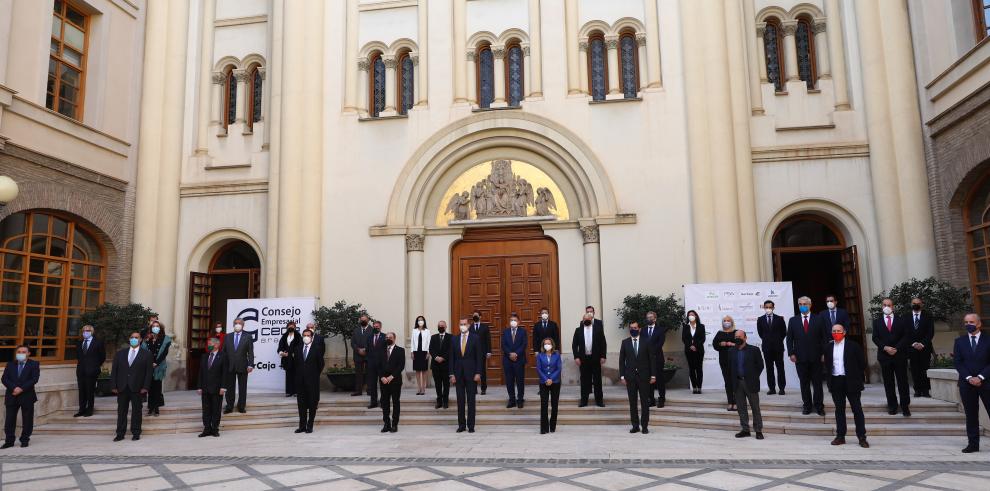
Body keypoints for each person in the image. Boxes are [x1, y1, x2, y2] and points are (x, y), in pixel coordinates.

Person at [824, 323, 868, 448]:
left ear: (844, 332)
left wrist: (857, 377)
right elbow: (827, 365)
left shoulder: (853, 346)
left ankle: (861, 437)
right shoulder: (828, 347)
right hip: (836, 381)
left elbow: (862, 364)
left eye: (838, 331)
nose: (836, 333)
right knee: (839, 410)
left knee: (857, 410)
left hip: (851, 381)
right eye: (834, 331)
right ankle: (840, 436)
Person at [953, 313, 990, 453]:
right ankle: (973, 444)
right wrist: (969, 378)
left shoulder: (988, 340)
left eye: (971, 322)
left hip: (986, 383)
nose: (968, 324)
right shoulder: (959, 341)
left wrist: (980, 377)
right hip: (966, 384)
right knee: (971, 414)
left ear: (979, 324)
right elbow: (958, 362)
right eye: (966, 322)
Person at [787, 296, 829, 416]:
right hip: (800, 358)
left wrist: (824, 353)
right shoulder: (793, 320)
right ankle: (807, 406)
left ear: (810, 305)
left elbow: (824, 338)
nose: (802, 306)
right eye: (800, 304)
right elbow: (789, 339)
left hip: (816, 357)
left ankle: (819, 406)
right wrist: (791, 353)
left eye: (805, 304)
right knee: (804, 383)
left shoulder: (819, 319)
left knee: (817, 383)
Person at [872, 297, 911, 417]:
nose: (887, 307)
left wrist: (896, 348)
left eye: (889, 305)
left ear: (893, 307)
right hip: (885, 356)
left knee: (902, 382)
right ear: (882, 307)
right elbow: (875, 338)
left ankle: (905, 407)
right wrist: (885, 348)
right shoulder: (877, 322)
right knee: (888, 383)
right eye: (884, 305)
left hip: (899, 355)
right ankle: (892, 406)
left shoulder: (901, 320)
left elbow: (906, 336)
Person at [110, 332, 153, 441]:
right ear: (129, 339)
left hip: (138, 387)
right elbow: (114, 370)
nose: (134, 339)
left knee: (137, 411)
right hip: (122, 387)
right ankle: (120, 433)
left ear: (140, 340)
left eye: (136, 337)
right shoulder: (120, 353)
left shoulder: (147, 354)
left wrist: (145, 387)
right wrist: (113, 385)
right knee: (121, 411)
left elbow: (148, 373)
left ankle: (136, 432)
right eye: (132, 337)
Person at [619, 321, 655, 434]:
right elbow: (621, 360)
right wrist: (622, 376)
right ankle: (635, 425)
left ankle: (644, 426)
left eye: (635, 328)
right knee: (632, 403)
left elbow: (652, 360)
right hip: (630, 378)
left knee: (644, 402)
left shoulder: (647, 341)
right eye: (631, 328)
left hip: (644, 377)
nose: (633, 329)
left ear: (639, 329)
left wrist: (653, 375)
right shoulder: (625, 342)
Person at [450, 318, 484, 433]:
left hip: (471, 374)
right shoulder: (454, 339)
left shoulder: (475, 338)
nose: (462, 326)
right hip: (458, 374)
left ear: (469, 325)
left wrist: (478, 372)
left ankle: (471, 425)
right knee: (460, 401)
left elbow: (479, 357)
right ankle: (461, 425)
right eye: (461, 324)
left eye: (464, 324)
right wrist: (451, 374)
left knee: (471, 400)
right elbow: (452, 358)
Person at [2, 346, 40, 448]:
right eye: (19, 352)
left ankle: (24, 439)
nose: (21, 353)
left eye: (23, 352)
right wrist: (14, 388)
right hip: (12, 395)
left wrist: (21, 389)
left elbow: (34, 379)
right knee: (9, 419)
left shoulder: (34, 364)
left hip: (27, 396)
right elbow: (4, 379)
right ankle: (9, 441)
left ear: (29, 353)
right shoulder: (10, 364)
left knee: (27, 419)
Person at [731, 330, 764, 440]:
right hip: (737, 383)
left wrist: (753, 377)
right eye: (736, 336)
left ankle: (758, 430)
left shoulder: (754, 350)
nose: (737, 338)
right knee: (741, 408)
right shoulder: (731, 351)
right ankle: (745, 430)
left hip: (751, 382)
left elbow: (760, 365)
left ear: (745, 338)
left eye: (739, 336)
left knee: (755, 407)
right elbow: (730, 368)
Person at [572, 310, 607, 407]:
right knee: (584, 380)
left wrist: (603, 356)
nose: (587, 320)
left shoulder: (598, 329)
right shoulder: (578, 330)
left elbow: (603, 343)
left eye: (588, 319)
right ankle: (584, 401)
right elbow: (574, 345)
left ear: (591, 319)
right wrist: (576, 357)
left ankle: (599, 400)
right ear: (582, 320)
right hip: (583, 359)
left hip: (595, 358)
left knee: (597, 380)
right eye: (585, 319)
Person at [294, 327, 324, 434]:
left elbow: (321, 364)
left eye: (308, 335)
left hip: (312, 381)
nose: (306, 337)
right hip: (300, 381)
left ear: (312, 337)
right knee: (301, 404)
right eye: (304, 335)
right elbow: (296, 364)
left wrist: (314, 375)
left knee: (312, 404)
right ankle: (302, 426)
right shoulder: (298, 348)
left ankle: (309, 425)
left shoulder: (317, 348)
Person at [197, 337, 229, 437]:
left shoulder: (223, 356)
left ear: (216, 345)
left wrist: (223, 387)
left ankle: (215, 429)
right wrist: (199, 387)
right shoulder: (204, 356)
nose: (208, 345)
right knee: (206, 410)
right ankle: (206, 429)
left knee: (216, 409)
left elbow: (225, 373)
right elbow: (201, 372)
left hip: (217, 388)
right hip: (205, 388)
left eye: (210, 343)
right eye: (208, 343)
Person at [222, 318, 255, 414]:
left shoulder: (248, 336)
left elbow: (251, 352)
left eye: (239, 323)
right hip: (229, 365)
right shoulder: (227, 336)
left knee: (242, 387)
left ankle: (241, 406)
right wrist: (223, 365)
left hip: (243, 365)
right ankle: (229, 406)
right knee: (230, 387)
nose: (237, 325)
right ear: (233, 325)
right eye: (235, 323)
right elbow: (224, 352)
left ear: (243, 325)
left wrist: (251, 365)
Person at [757, 300, 787, 396]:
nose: (768, 309)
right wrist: (768, 340)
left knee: (780, 368)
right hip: (767, 348)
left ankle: (782, 388)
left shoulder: (779, 319)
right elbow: (760, 333)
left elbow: (783, 333)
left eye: (770, 307)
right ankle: (772, 388)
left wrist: (776, 340)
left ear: (773, 308)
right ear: (764, 308)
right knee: (769, 369)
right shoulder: (760, 319)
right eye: (766, 307)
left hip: (778, 348)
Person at [74, 324, 105, 417]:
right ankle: (81, 410)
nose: (85, 332)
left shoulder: (98, 342)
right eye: (84, 331)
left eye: (87, 331)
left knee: (90, 391)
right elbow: (79, 357)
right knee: (81, 391)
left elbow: (102, 357)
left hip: (92, 371)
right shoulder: (79, 343)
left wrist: (95, 366)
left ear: (91, 332)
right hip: (81, 371)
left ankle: (89, 410)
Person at [907, 297, 935, 398]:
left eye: (918, 303)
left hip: (925, 348)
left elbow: (930, 332)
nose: (916, 305)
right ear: (911, 304)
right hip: (911, 348)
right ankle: (917, 390)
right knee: (914, 370)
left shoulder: (928, 316)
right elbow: (905, 333)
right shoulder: (906, 317)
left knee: (925, 369)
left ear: (922, 304)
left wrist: (922, 344)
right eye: (914, 303)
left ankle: (926, 390)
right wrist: (914, 344)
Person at [143, 320, 171, 417]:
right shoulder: (148, 339)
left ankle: (156, 408)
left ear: (160, 328)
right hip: (149, 366)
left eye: (157, 326)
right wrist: (150, 363)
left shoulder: (165, 339)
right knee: (149, 388)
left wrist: (156, 363)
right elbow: (144, 351)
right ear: (151, 328)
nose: (155, 327)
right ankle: (150, 408)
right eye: (154, 326)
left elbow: (164, 353)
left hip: (159, 366)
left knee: (157, 388)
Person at [379, 332, 405, 433]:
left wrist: (391, 376)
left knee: (395, 402)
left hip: (395, 381)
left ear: (394, 338)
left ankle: (394, 424)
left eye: (390, 337)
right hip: (383, 381)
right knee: (384, 403)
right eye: (386, 337)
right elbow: (378, 365)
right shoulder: (381, 350)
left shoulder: (400, 350)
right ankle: (386, 423)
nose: (388, 339)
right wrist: (382, 377)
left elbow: (401, 366)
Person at [537, 337, 562, 434]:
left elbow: (559, 368)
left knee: (554, 404)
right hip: (544, 382)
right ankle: (544, 428)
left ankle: (552, 426)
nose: (547, 345)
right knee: (544, 404)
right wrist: (546, 379)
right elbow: (539, 369)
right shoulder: (540, 355)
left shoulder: (557, 355)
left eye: (549, 343)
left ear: (552, 345)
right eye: (545, 344)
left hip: (555, 382)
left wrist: (551, 378)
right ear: (543, 345)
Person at [501, 313, 527, 408]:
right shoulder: (506, 331)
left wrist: (516, 354)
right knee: (509, 381)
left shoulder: (522, 331)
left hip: (519, 360)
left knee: (520, 381)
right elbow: (503, 345)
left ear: (518, 322)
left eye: (515, 320)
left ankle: (520, 400)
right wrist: (510, 354)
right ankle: (511, 400)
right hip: (507, 360)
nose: (513, 322)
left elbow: (524, 344)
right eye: (511, 320)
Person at [712, 315, 738, 411]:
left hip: (735, 360)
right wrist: (720, 344)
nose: (726, 322)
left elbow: (741, 343)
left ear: (732, 322)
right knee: (727, 382)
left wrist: (732, 344)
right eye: (724, 320)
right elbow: (715, 344)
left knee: (735, 381)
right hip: (724, 360)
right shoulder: (719, 333)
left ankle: (736, 402)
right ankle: (730, 402)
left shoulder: (736, 332)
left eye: (728, 320)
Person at [644, 311, 667, 408]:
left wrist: (650, 351)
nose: (649, 319)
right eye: (647, 317)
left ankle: (661, 399)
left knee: (660, 380)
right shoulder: (643, 330)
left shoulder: (661, 330)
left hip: (657, 358)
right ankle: (651, 400)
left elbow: (660, 343)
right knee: (649, 380)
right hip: (646, 359)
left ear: (655, 319)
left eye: (651, 317)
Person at [429, 321, 452, 409]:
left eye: (442, 326)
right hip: (435, 365)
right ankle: (439, 401)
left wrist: (443, 358)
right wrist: (435, 357)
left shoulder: (450, 337)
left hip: (446, 365)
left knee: (446, 384)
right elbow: (431, 349)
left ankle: (445, 401)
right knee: (438, 384)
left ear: (446, 327)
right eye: (439, 326)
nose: (441, 327)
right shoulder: (433, 337)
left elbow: (450, 349)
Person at [365, 321, 387, 409]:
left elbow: (386, 351)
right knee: (372, 384)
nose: (375, 328)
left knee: (383, 384)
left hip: (381, 365)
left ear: (380, 327)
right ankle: (373, 402)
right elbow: (367, 350)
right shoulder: (369, 337)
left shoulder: (385, 337)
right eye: (374, 327)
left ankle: (383, 402)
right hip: (371, 365)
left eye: (377, 327)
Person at [682, 311, 705, 394]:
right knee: (691, 369)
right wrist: (690, 346)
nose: (690, 316)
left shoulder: (701, 326)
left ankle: (699, 387)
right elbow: (684, 338)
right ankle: (694, 387)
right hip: (689, 350)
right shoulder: (685, 326)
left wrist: (695, 345)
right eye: (689, 315)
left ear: (696, 316)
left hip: (699, 350)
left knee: (699, 369)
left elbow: (702, 338)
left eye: (692, 314)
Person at [469, 310, 492, 395]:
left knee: (482, 371)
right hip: (472, 353)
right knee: (473, 371)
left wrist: (489, 351)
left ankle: (483, 388)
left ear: (480, 316)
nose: (474, 317)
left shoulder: (485, 327)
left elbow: (488, 340)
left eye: (476, 315)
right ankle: (474, 388)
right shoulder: (470, 327)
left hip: (482, 352)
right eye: (473, 315)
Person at [277, 321, 301, 398]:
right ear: (287, 327)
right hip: (287, 359)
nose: (291, 327)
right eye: (289, 326)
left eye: (292, 326)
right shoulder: (284, 336)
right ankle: (288, 391)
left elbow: (300, 346)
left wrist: (296, 353)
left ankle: (296, 391)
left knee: (296, 375)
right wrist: (282, 353)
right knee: (288, 375)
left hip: (295, 359)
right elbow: (280, 347)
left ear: (295, 327)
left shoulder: (298, 336)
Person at [410, 315, 431, 396]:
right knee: (418, 370)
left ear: (424, 321)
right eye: (419, 320)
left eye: (421, 320)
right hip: (416, 351)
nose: (420, 321)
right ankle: (419, 388)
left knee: (424, 371)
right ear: (417, 322)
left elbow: (429, 342)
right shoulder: (414, 330)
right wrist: (412, 352)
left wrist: (428, 352)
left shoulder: (427, 331)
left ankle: (423, 388)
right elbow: (412, 341)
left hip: (424, 352)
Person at [351, 315, 371, 397]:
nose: (363, 321)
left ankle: (369, 390)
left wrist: (366, 350)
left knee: (369, 373)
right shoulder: (356, 330)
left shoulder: (372, 330)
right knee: (358, 374)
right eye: (361, 320)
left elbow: (373, 342)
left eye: (364, 320)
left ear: (368, 320)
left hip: (369, 355)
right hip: (357, 355)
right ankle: (358, 391)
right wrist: (358, 350)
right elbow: (352, 343)